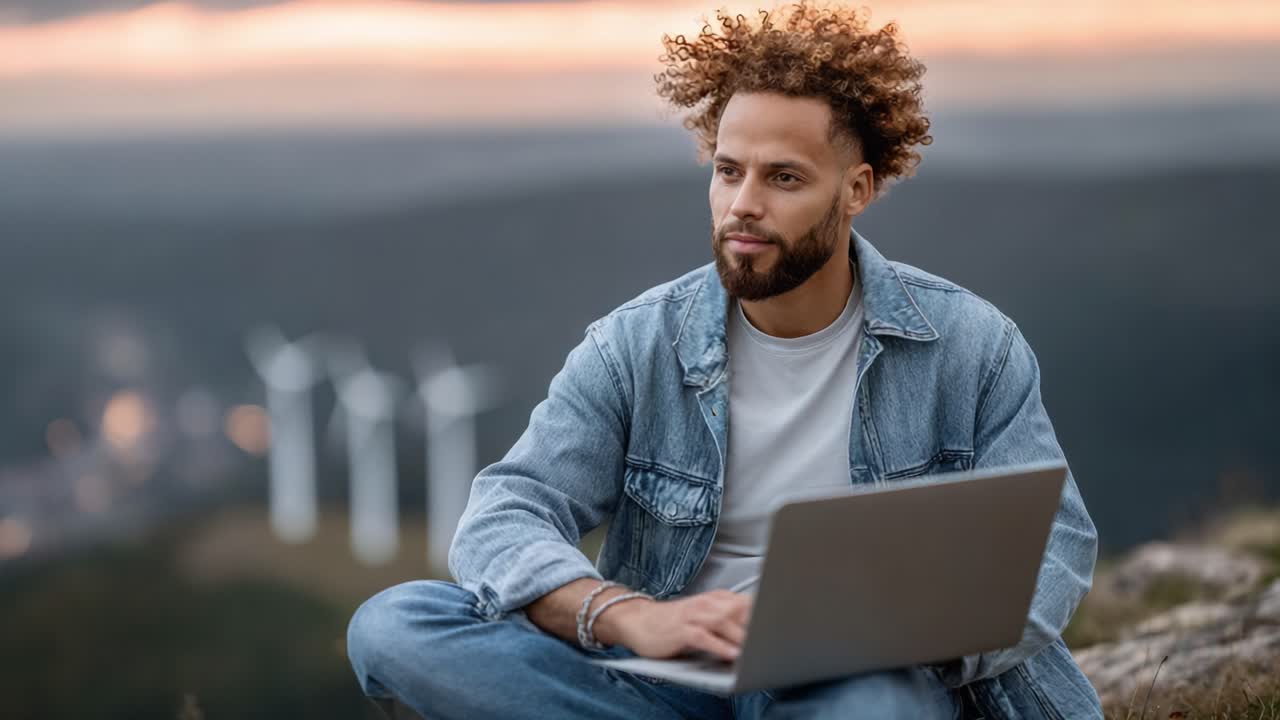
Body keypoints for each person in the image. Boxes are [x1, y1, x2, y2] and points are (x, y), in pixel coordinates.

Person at [346, 3, 1102, 718]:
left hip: (854, 686)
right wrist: (628, 616)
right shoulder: (634, 346)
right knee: (394, 623)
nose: (743, 203)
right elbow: (503, 515)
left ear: (857, 189)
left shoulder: (972, 346)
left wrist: (906, 645)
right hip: (664, 686)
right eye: (727, 169)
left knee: (874, 704)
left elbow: (1055, 550)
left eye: (783, 177)